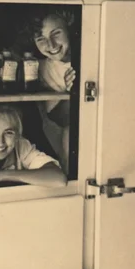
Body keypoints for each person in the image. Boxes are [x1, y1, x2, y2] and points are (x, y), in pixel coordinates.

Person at [29, 12, 76, 173]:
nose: (51, 44)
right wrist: (75, 93)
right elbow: (59, 117)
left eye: (56, 33)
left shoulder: (90, 56)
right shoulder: (41, 69)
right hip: (66, 152)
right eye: (41, 39)